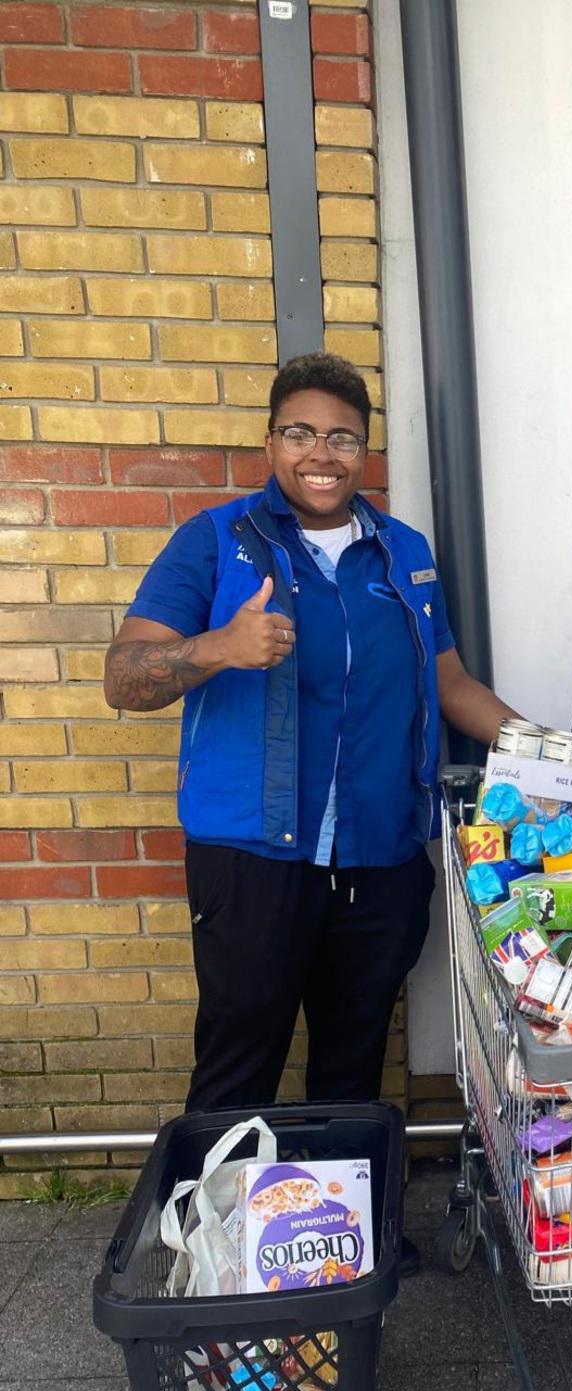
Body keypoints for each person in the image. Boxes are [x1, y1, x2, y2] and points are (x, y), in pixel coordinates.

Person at [104, 352, 516, 1136]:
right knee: (238, 1062)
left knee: (355, 1067)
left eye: (344, 438)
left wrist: (554, 753)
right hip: (254, 860)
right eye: (300, 433)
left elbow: (450, 684)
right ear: (270, 443)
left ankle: (342, 1246)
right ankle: (213, 1241)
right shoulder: (216, 541)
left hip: (380, 857)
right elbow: (124, 678)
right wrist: (218, 647)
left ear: (364, 451)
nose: (321, 455)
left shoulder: (405, 553)